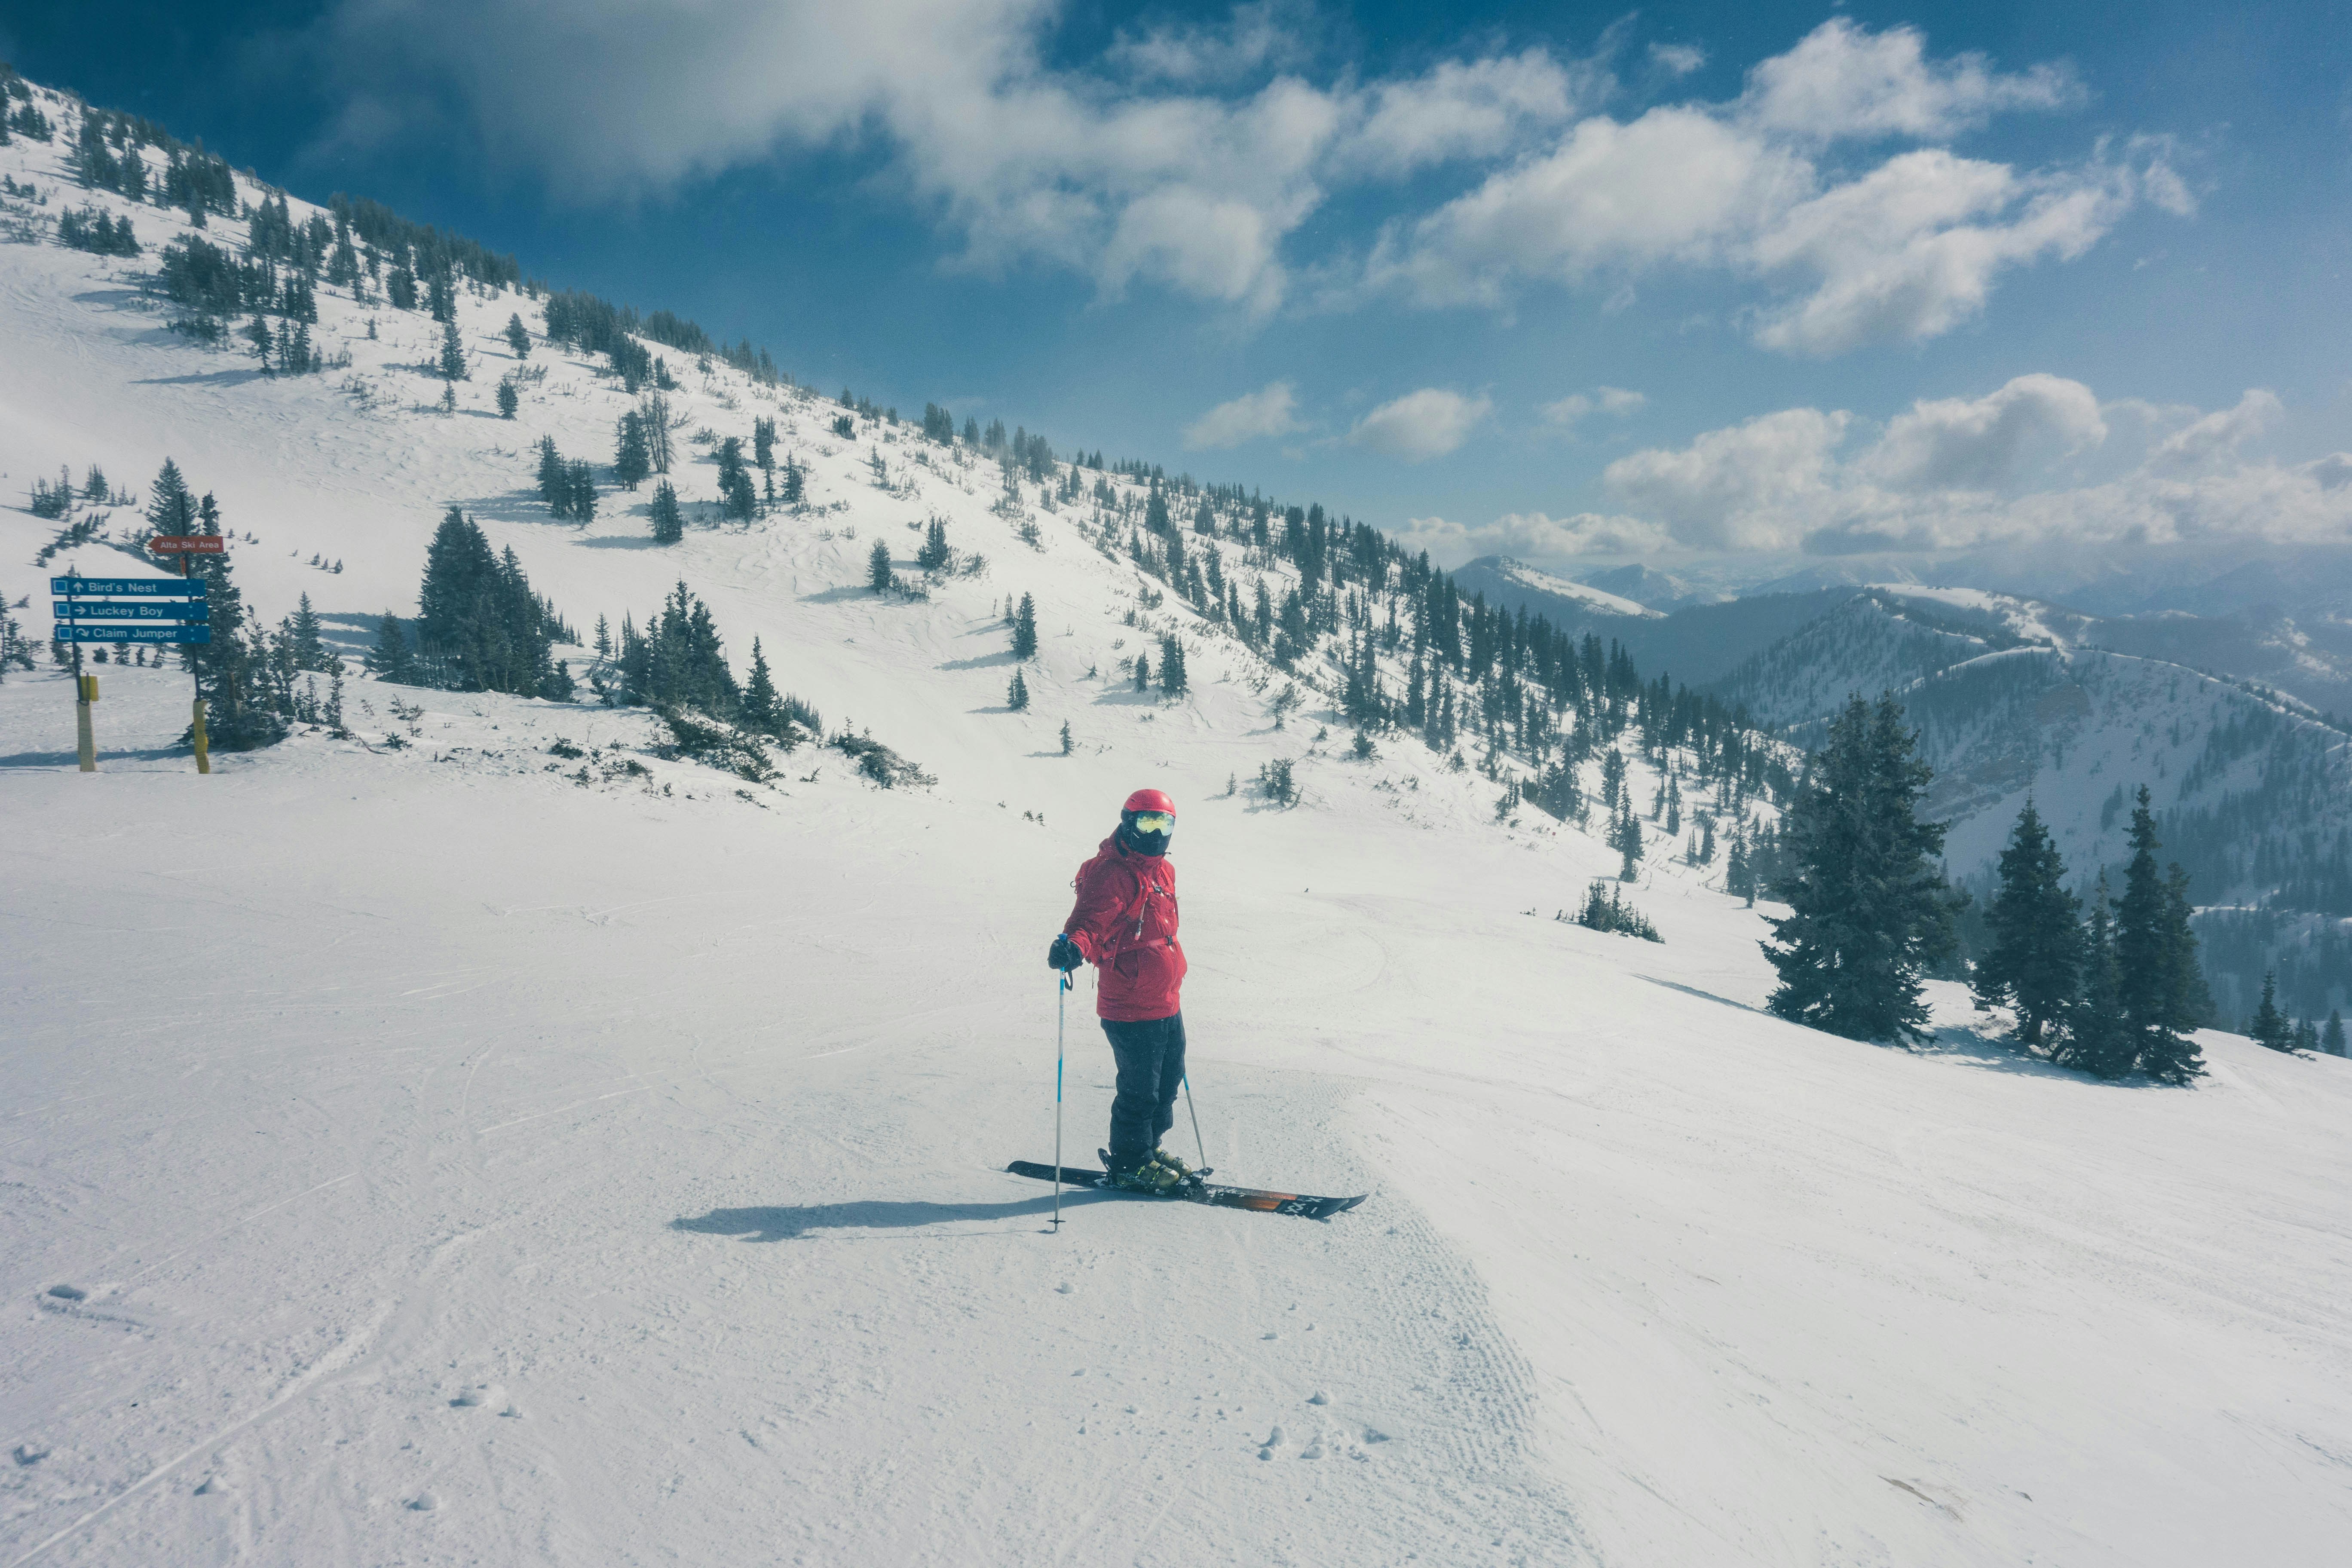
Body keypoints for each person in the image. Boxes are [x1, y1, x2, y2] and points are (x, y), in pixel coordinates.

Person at [1049, 788, 1194, 1192]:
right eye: (1147, 822)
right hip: (1130, 1004)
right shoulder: (1112, 873)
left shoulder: (1164, 870)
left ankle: (1147, 1148)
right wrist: (1073, 947)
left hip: (1166, 998)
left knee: (1169, 1082)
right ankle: (1129, 1163)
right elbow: (1090, 920)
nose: (1156, 832)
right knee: (1139, 1091)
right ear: (1128, 823)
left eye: (1164, 823)